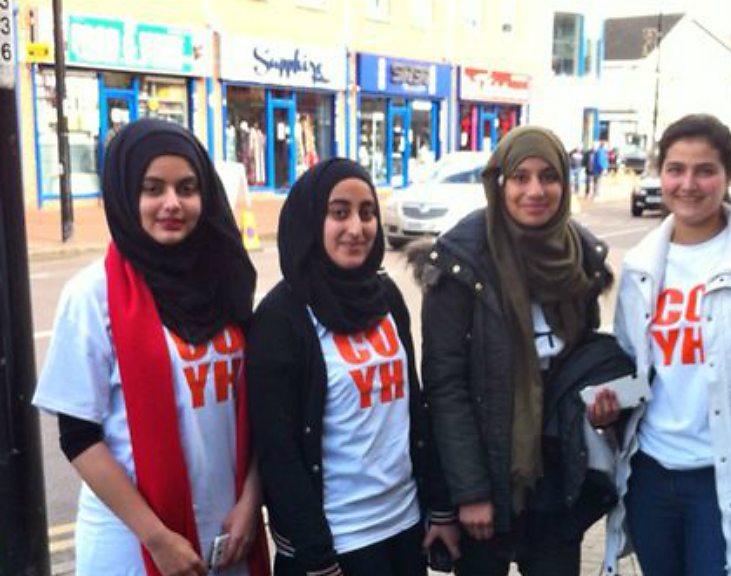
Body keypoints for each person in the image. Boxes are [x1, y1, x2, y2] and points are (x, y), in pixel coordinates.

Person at [33, 118, 268, 576]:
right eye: (152, 188)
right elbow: (79, 437)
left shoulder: (226, 279)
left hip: (229, 532)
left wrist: (250, 501)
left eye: (187, 188)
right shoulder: (92, 294)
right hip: (132, 543)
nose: (172, 203)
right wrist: (157, 538)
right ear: (125, 194)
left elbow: (260, 407)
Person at [596, 113, 731, 575]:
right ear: (659, 173)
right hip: (651, 476)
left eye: (705, 170)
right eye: (676, 169)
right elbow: (641, 372)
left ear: (728, 174)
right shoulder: (641, 266)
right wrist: (606, 405)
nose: (688, 184)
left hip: (727, 478)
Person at [415, 125, 614, 575]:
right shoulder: (461, 260)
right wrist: (469, 492)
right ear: (498, 183)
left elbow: (581, 367)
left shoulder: (580, 257)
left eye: (549, 176)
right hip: (486, 481)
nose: (535, 191)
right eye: (520, 177)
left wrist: (603, 406)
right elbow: (445, 387)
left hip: (557, 481)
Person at [245, 158, 459, 576]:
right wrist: (318, 559)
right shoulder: (280, 318)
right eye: (339, 213)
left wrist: (440, 507)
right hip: (335, 546)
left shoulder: (386, 297)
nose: (356, 228)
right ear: (311, 220)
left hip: (403, 528)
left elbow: (414, 409)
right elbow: (278, 451)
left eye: (367, 213)